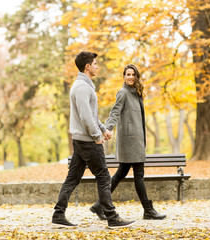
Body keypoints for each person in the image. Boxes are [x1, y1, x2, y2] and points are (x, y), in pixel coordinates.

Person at [51, 52, 135, 229]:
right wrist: (97, 137)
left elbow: (92, 115)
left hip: (81, 141)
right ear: (87, 66)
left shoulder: (85, 86)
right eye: (95, 64)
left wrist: (103, 129)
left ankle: (58, 215)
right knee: (104, 177)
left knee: (72, 179)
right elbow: (86, 117)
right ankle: (112, 217)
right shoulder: (81, 87)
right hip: (88, 142)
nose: (97, 66)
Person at [89, 64, 166, 220]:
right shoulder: (123, 93)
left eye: (133, 74)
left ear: (136, 76)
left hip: (136, 141)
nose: (130, 77)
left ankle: (99, 205)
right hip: (130, 141)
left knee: (120, 174)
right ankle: (148, 209)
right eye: (128, 74)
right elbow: (115, 112)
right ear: (123, 77)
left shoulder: (137, 93)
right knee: (139, 175)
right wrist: (107, 128)